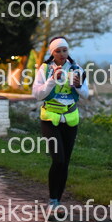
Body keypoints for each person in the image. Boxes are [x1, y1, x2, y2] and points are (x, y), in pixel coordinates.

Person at [32, 36, 89, 209]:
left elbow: (86, 94)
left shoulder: (77, 69)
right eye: (58, 51)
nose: (62, 54)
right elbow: (37, 94)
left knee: (65, 163)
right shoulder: (45, 69)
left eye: (65, 50)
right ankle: (52, 200)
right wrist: (52, 80)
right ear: (52, 53)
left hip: (70, 120)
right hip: (50, 119)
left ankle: (57, 200)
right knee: (58, 160)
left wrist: (78, 86)